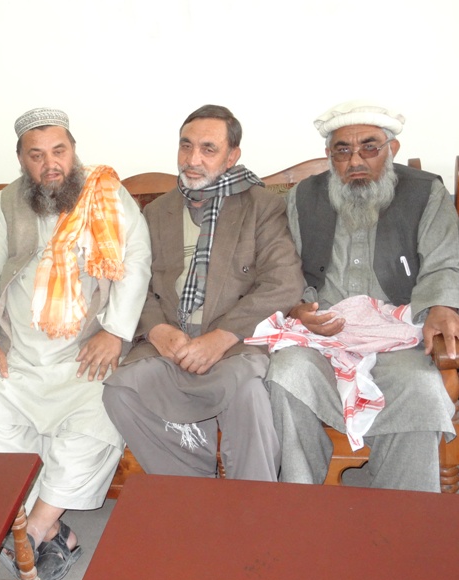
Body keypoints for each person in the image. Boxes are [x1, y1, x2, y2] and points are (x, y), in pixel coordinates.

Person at [0, 107, 151, 580]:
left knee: (100, 419)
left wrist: (115, 332)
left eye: (59, 151)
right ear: (21, 159)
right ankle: (54, 533)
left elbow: (135, 262)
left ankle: (33, 528)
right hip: (20, 353)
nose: (50, 164)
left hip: (86, 349)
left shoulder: (107, 194)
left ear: (73, 151)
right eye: (37, 155)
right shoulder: (4, 204)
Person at [102, 105, 303, 481]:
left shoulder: (262, 207)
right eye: (186, 146)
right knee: (120, 391)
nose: (193, 159)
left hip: (234, 342)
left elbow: (284, 282)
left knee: (249, 396)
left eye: (208, 149)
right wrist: (156, 329)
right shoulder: (156, 212)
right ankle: (192, 488)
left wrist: (222, 336)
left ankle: (254, 503)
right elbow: (133, 282)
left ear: (232, 156)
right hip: (171, 340)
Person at [265, 101, 459, 492]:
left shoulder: (425, 193)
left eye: (369, 147)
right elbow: (282, 268)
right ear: (329, 155)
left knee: (420, 389)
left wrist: (441, 305)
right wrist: (299, 309)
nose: (356, 159)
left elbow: (444, 262)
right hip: (322, 337)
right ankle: (300, 502)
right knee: (286, 375)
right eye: (343, 150)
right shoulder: (303, 197)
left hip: (398, 337)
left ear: (392, 149)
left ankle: (405, 511)